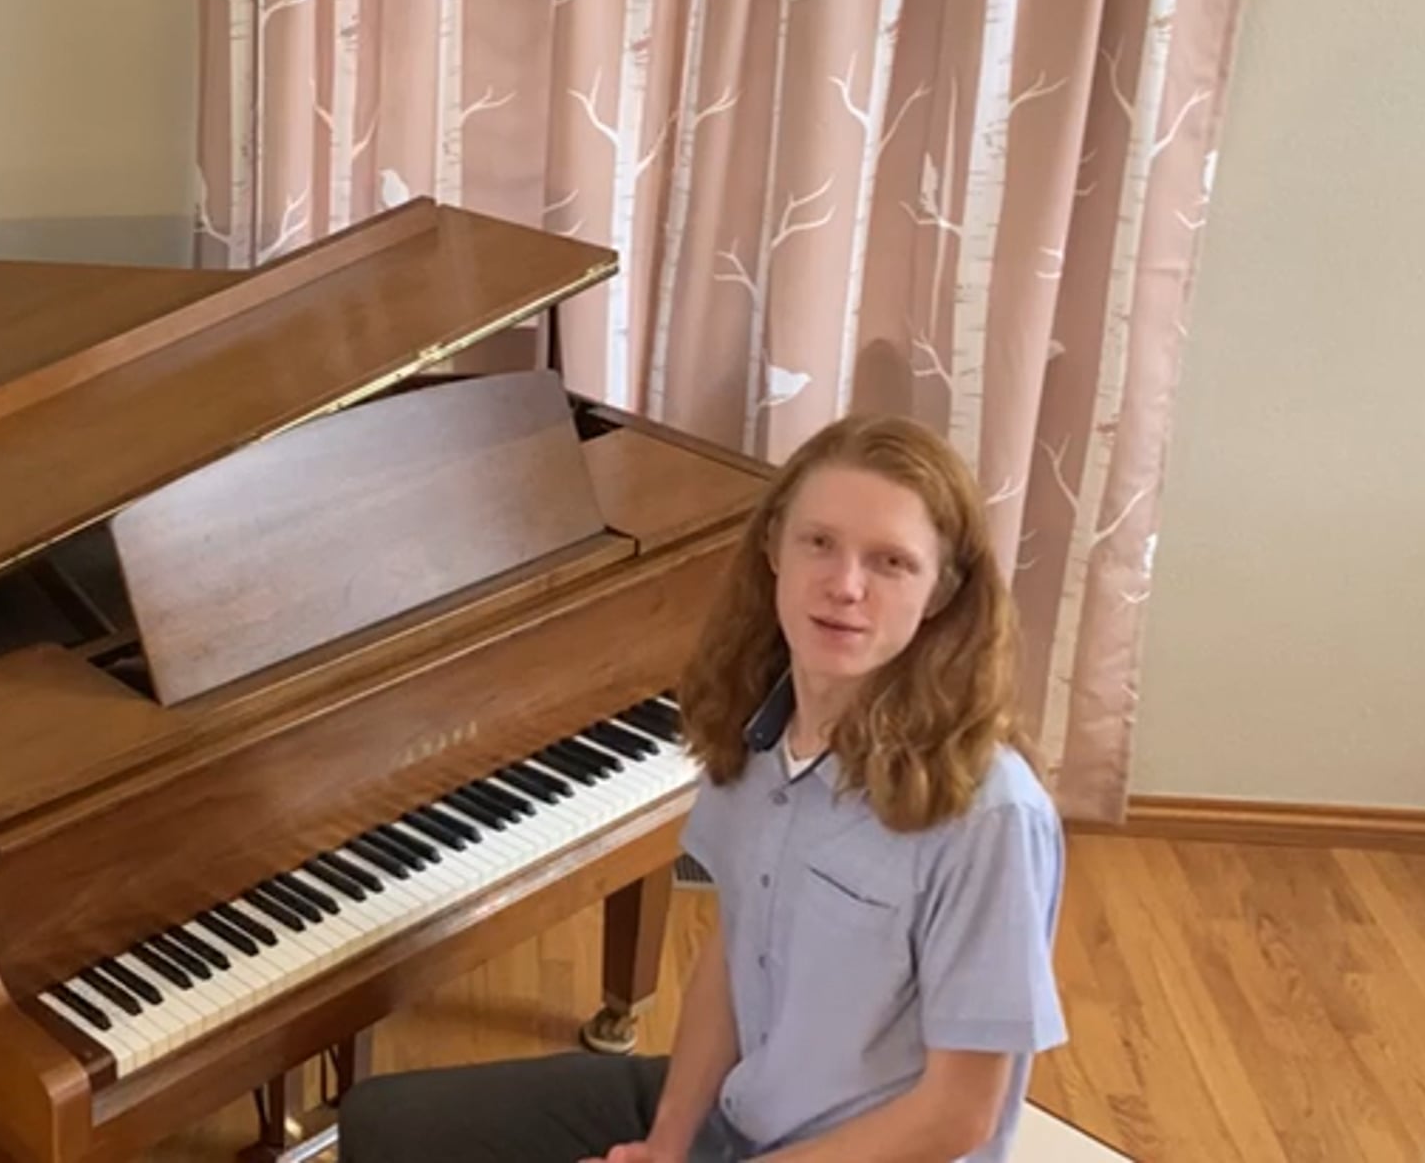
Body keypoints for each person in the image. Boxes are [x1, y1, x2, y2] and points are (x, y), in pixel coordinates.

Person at [337, 414, 1068, 1163]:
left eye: (891, 562)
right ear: (773, 547)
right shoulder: (758, 725)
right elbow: (735, 950)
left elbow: (957, 1115)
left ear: (941, 591)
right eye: (819, 542)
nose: (845, 586)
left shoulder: (991, 815)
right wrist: (666, 1142)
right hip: (739, 1118)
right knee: (385, 1125)